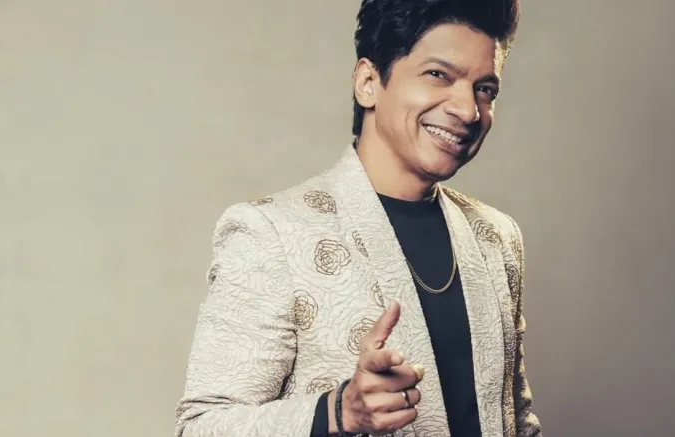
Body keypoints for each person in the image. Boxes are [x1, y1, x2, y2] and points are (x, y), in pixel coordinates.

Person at [174, 0, 542, 436]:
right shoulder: (270, 234)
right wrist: (335, 413)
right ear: (368, 82)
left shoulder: (495, 237)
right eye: (438, 75)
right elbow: (201, 427)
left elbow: (517, 421)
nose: (468, 110)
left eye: (485, 89)